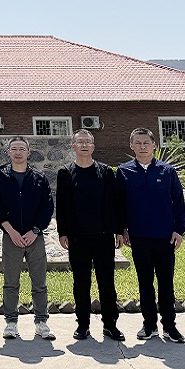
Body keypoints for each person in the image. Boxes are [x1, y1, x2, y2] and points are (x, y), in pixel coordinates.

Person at [116, 127, 185, 343]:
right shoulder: (123, 172)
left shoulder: (167, 171)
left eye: (146, 142)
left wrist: (179, 230)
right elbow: (119, 204)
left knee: (166, 283)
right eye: (137, 143)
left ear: (154, 145)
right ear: (131, 146)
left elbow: (178, 202)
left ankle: (170, 327)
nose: (142, 146)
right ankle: (149, 325)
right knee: (145, 283)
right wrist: (121, 229)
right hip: (138, 237)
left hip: (165, 237)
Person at [56, 129, 124, 341]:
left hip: (103, 236)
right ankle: (82, 325)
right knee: (81, 283)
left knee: (107, 283)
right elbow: (62, 205)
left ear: (93, 146)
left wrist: (119, 230)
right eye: (80, 142)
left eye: (88, 142)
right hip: (77, 238)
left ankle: (110, 325)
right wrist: (63, 232)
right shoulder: (65, 173)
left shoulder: (105, 171)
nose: (84, 145)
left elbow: (115, 202)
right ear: (73, 146)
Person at [0, 136, 55, 340]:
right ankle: (11, 323)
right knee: (11, 283)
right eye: (14, 149)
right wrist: (11, 232)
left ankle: (41, 322)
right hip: (11, 237)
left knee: (39, 282)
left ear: (28, 153)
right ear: (8, 152)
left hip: (35, 237)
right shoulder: (0, 177)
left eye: (21, 149)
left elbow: (47, 207)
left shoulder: (39, 178)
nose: (18, 152)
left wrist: (35, 230)